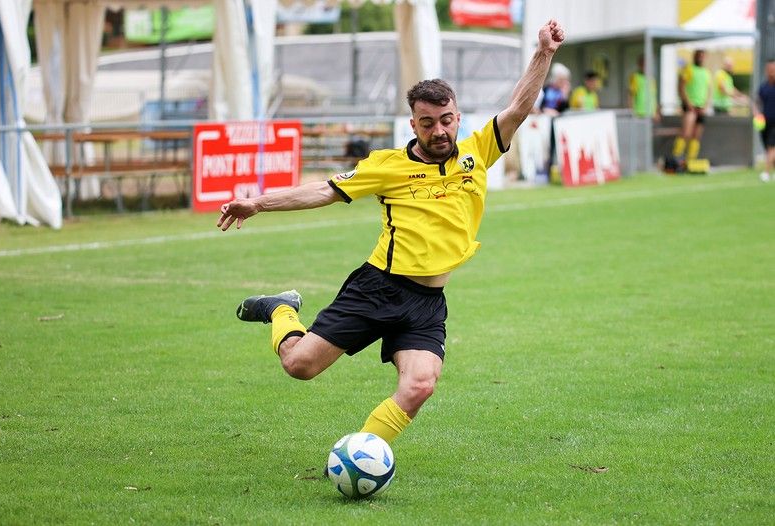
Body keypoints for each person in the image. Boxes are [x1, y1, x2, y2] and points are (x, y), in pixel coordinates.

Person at [216, 20, 566, 448]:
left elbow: (518, 109)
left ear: (457, 116)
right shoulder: (388, 165)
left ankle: (361, 453)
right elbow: (325, 190)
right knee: (299, 365)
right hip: (378, 288)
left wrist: (544, 53)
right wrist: (258, 203)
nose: (439, 130)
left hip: (427, 302)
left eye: (446, 119)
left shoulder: (478, 151)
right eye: (427, 122)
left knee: (419, 386)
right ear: (413, 124)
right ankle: (281, 310)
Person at [672, 49, 712, 163]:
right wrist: (688, 103)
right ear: (694, 57)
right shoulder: (688, 69)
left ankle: (691, 160)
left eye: (703, 56)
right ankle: (676, 158)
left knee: (697, 135)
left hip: (701, 107)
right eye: (698, 56)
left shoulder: (706, 72)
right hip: (690, 106)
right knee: (686, 133)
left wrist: (706, 105)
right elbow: (681, 87)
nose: (700, 58)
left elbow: (708, 90)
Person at [755, 58, 775, 182]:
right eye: (769, 69)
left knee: (772, 146)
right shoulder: (763, 87)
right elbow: (757, 102)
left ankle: (766, 172)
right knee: (767, 147)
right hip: (764, 121)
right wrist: (756, 113)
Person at [628, 54, 660, 120]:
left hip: (651, 113)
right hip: (639, 113)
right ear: (639, 64)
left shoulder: (652, 78)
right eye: (644, 64)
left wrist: (656, 112)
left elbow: (654, 96)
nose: (646, 67)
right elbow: (630, 95)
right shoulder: (635, 77)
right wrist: (631, 111)